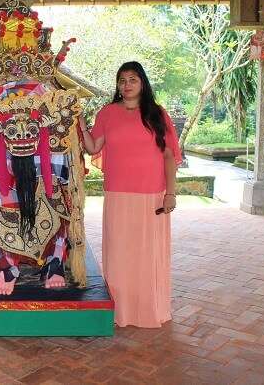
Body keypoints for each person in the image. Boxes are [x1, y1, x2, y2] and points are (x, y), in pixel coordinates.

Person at [79, 61, 182, 328]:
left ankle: (150, 309)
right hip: (117, 194)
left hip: (152, 195)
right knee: (120, 253)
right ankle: (120, 310)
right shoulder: (108, 113)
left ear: (143, 83)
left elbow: (170, 156)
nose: (126, 85)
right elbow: (93, 147)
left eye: (132, 79)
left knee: (148, 255)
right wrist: (77, 121)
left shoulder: (158, 114)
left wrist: (170, 194)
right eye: (122, 80)